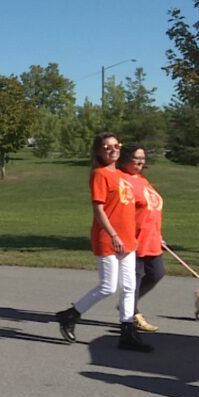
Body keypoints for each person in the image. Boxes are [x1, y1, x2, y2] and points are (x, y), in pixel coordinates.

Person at [56, 132, 152, 352]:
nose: (113, 149)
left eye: (116, 145)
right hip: (109, 238)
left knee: (129, 287)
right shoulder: (100, 175)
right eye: (107, 146)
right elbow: (99, 209)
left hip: (128, 239)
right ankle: (70, 315)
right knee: (108, 286)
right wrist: (114, 235)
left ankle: (127, 333)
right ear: (99, 151)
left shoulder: (121, 175)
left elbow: (133, 207)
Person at [119, 144, 166, 334]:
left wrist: (158, 233)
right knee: (135, 279)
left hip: (151, 238)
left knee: (156, 273)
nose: (140, 161)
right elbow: (121, 211)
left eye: (143, 158)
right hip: (134, 239)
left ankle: (130, 305)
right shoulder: (122, 180)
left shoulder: (142, 180)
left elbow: (151, 208)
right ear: (125, 159)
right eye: (136, 157)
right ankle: (132, 315)